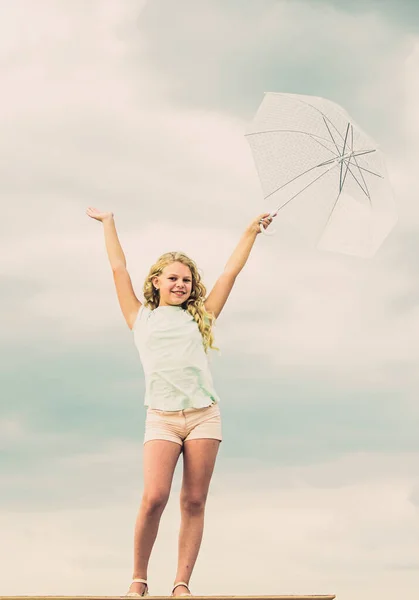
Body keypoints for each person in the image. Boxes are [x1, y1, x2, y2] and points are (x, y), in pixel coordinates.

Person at [86, 207, 274, 597]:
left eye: (186, 280)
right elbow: (119, 269)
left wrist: (250, 232)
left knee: (193, 500)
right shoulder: (140, 317)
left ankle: (181, 584)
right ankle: (138, 579)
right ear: (156, 281)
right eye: (173, 278)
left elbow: (229, 274)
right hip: (162, 419)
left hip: (204, 417)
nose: (181, 284)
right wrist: (109, 224)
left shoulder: (201, 316)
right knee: (154, 497)